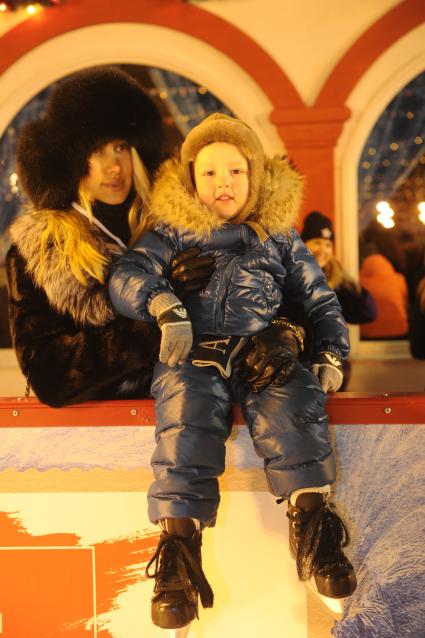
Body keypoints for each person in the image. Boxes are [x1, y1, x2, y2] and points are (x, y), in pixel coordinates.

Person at [108, 113, 357, 631]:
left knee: (294, 398)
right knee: (185, 415)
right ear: (191, 180)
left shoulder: (279, 238)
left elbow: (319, 298)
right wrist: (162, 302)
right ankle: (179, 549)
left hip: (260, 349)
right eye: (210, 173)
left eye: (236, 172)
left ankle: (313, 523)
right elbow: (127, 273)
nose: (223, 184)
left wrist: (328, 350)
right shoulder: (171, 234)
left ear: (256, 177)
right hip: (194, 352)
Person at [6, 67, 300, 407]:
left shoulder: (180, 228)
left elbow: (278, 287)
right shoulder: (38, 251)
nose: (113, 167)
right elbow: (51, 377)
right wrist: (160, 314)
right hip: (106, 443)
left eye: (120, 147)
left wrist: (285, 333)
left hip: (204, 417)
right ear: (70, 162)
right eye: (96, 151)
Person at [301, 211, 377, 388]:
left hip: (333, 367)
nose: (323, 249)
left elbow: (368, 313)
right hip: (299, 368)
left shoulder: (337, 281)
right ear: (303, 245)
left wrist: (348, 283)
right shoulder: (289, 277)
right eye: (317, 242)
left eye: (328, 245)